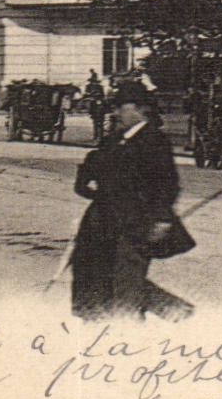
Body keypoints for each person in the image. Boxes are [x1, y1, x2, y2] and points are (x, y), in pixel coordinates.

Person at [70, 80, 194, 320]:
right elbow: (93, 173)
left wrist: (161, 219)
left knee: (126, 281)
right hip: (103, 222)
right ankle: (173, 312)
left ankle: (136, 328)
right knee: (93, 274)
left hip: (137, 222)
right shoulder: (113, 140)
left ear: (139, 109)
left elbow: (166, 185)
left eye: (121, 107)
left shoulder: (154, 141)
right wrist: (86, 178)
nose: (116, 113)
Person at [85, 70, 107, 144]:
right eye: (92, 81)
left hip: (99, 103)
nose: (93, 83)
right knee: (95, 121)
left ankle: (100, 136)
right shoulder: (88, 86)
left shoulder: (100, 87)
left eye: (95, 81)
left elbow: (102, 95)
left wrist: (98, 96)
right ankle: (95, 135)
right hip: (92, 104)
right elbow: (86, 94)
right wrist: (89, 94)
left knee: (100, 121)